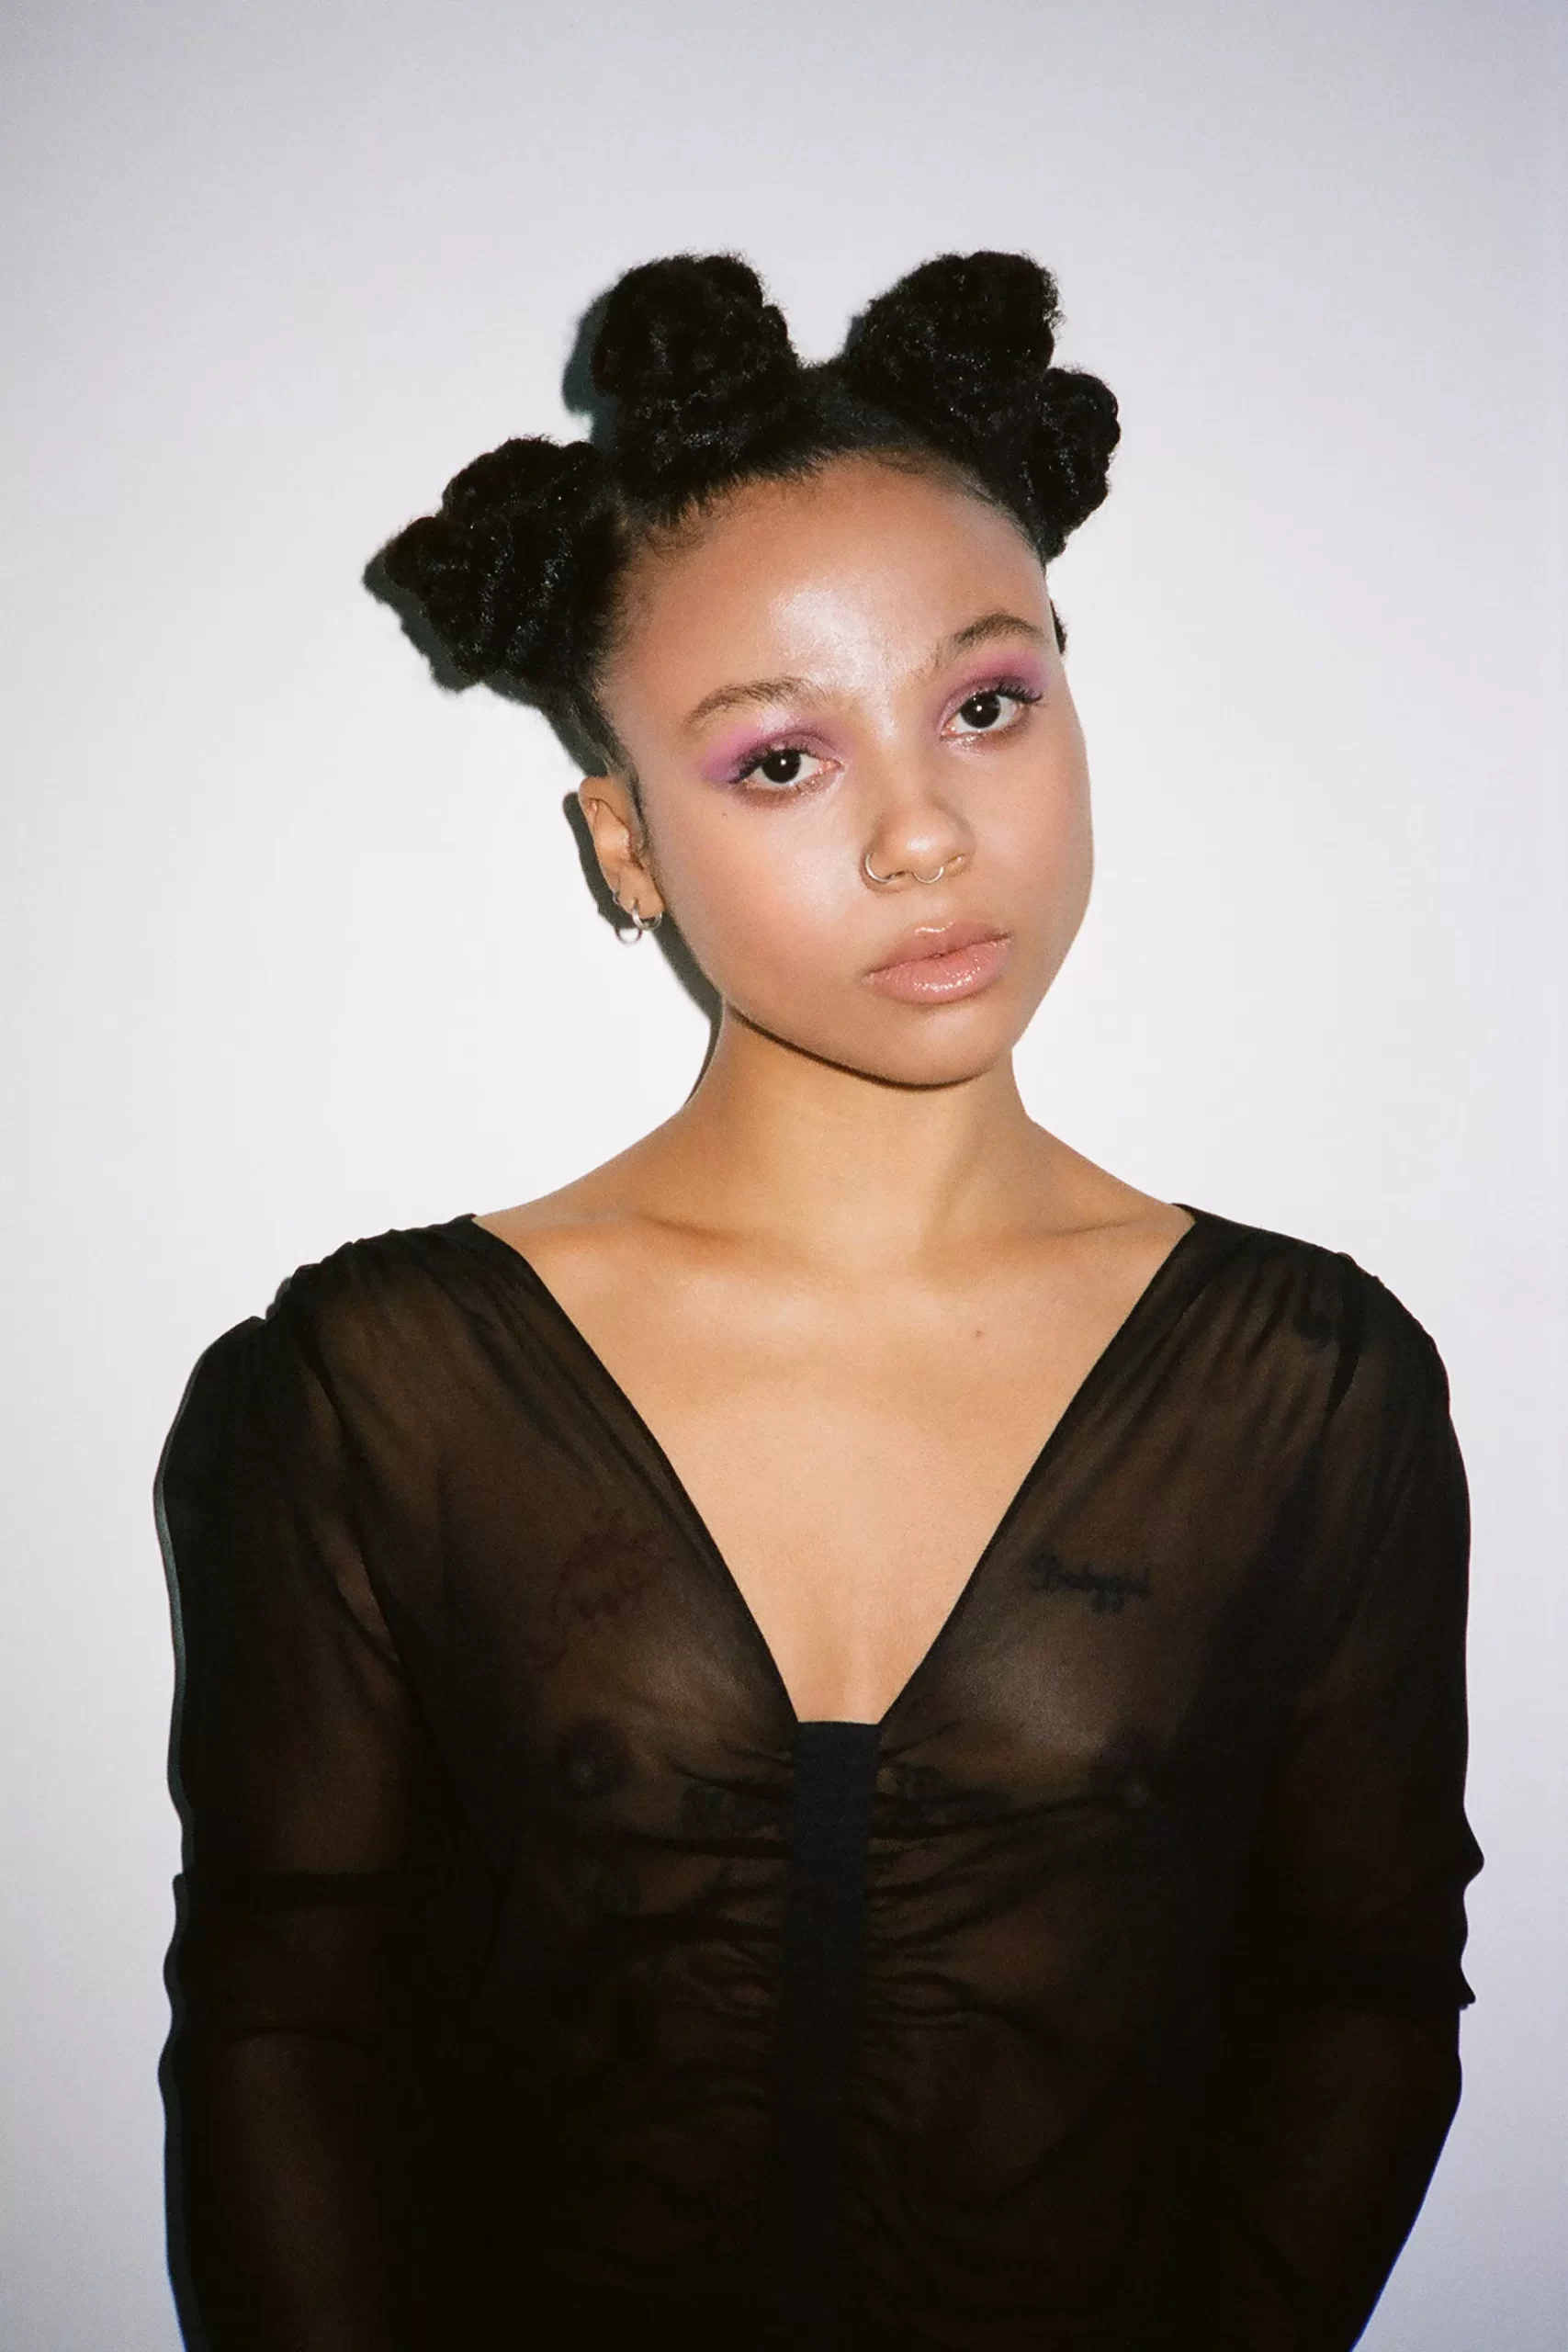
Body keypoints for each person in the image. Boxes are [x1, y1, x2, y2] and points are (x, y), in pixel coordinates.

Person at [157, 252, 1481, 2352]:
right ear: (626, 845)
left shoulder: (1313, 1391)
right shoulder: (371, 1390)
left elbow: (1362, 1989)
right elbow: (285, 2017)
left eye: (985, 704)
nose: (924, 834)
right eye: (781, 758)